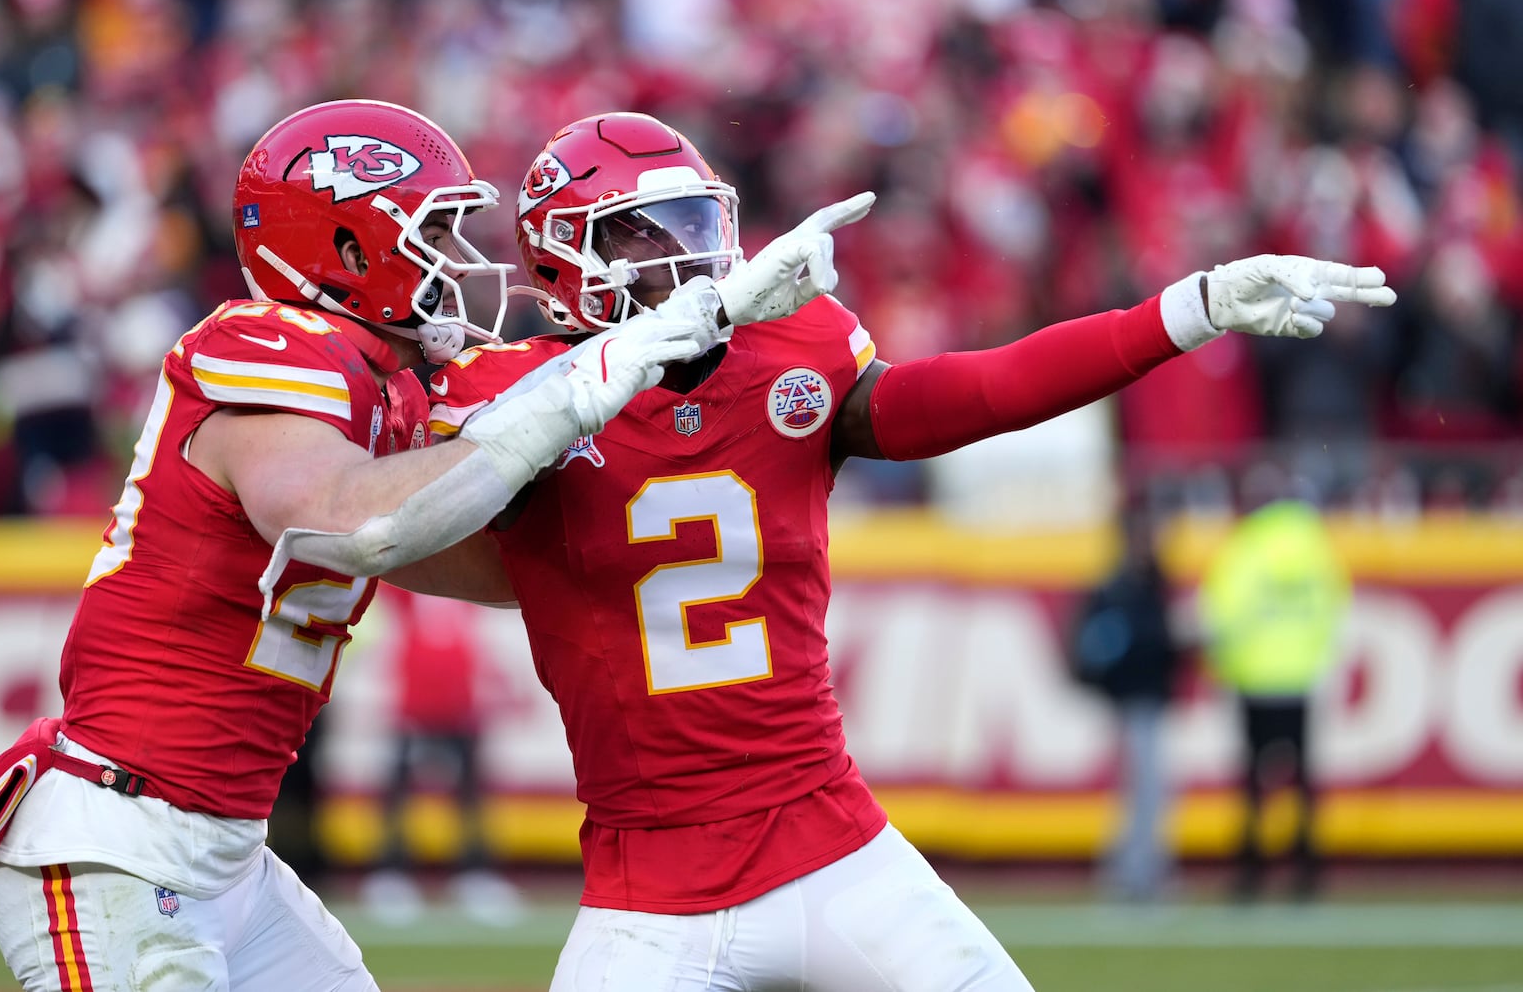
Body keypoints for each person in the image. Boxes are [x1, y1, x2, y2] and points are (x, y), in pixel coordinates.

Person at [413, 111, 1397, 992]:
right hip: (647, 888)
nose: (689, 254)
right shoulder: (513, 394)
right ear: (559, 257)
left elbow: (980, 389)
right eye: (644, 231)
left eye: (694, 222)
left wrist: (1192, 305)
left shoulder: (790, 345)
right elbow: (389, 510)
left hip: (831, 842)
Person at [0, 98, 847, 992]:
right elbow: (354, 521)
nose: (461, 263)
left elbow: (503, 558)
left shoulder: (385, 395)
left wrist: (710, 418)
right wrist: (579, 388)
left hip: (225, 851)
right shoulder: (270, 349)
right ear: (347, 251)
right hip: (120, 841)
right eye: (435, 233)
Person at [1198, 494, 1350, 901]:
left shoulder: (1246, 545)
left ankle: (1252, 867)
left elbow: (1225, 611)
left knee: (1253, 780)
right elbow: (1332, 605)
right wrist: (1314, 658)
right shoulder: (1313, 543)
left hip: (1254, 677)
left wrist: (1223, 664)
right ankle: (1307, 866)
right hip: (1299, 677)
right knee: (1302, 778)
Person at [360, 585, 526, 926]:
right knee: (399, 796)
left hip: (460, 704)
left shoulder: (466, 592)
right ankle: (392, 873)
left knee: (470, 797)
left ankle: (475, 873)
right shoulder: (406, 591)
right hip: (415, 705)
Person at [1067, 495, 1184, 902]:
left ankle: (1136, 871)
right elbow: (1115, 647)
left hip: (1147, 697)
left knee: (1145, 791)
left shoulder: (1146, 583)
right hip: (1134, 698)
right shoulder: (1122, 587)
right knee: (1145, 791)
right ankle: (1135, 875)